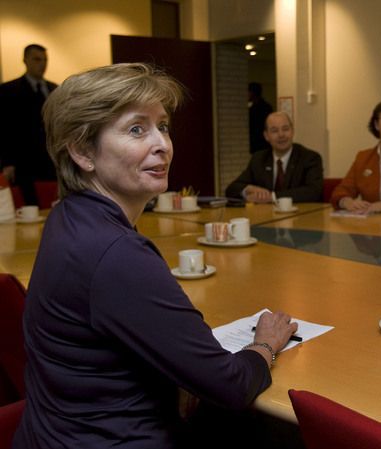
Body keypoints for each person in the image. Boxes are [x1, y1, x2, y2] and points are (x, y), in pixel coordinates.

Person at [14, 63, 297, 448]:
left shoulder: (68, 216)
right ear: (82, 151)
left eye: (162, 126)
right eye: (136, 129)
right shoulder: (115, 253)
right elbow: (229, 385)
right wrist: (265, 344)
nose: (162, 144)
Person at [0, 44, 58, 205]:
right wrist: (7, 162)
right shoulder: (8, 90)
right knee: (29, 207)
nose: (42, 64)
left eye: (45, 59)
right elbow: (4, 128)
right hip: (23, 162)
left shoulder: (55, 89)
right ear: (25, 60)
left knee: (54, 204)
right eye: (37, 59)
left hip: (51, 161)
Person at [225, 111, 323, 203]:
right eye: (274, 131)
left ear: (292, 131)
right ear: (266, 136)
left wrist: (271, 197)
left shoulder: (310, 158)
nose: (281, 135)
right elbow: (231, 189)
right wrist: (248, 189)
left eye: (285, 129)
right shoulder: (258, 159)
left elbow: (313, 192)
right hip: (266, 216)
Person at [248, 82, 273, 153]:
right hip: (260, 142)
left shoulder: (263, 108)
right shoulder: (253, 107)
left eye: (248, 92)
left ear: (253, 93)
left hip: (261, 142)